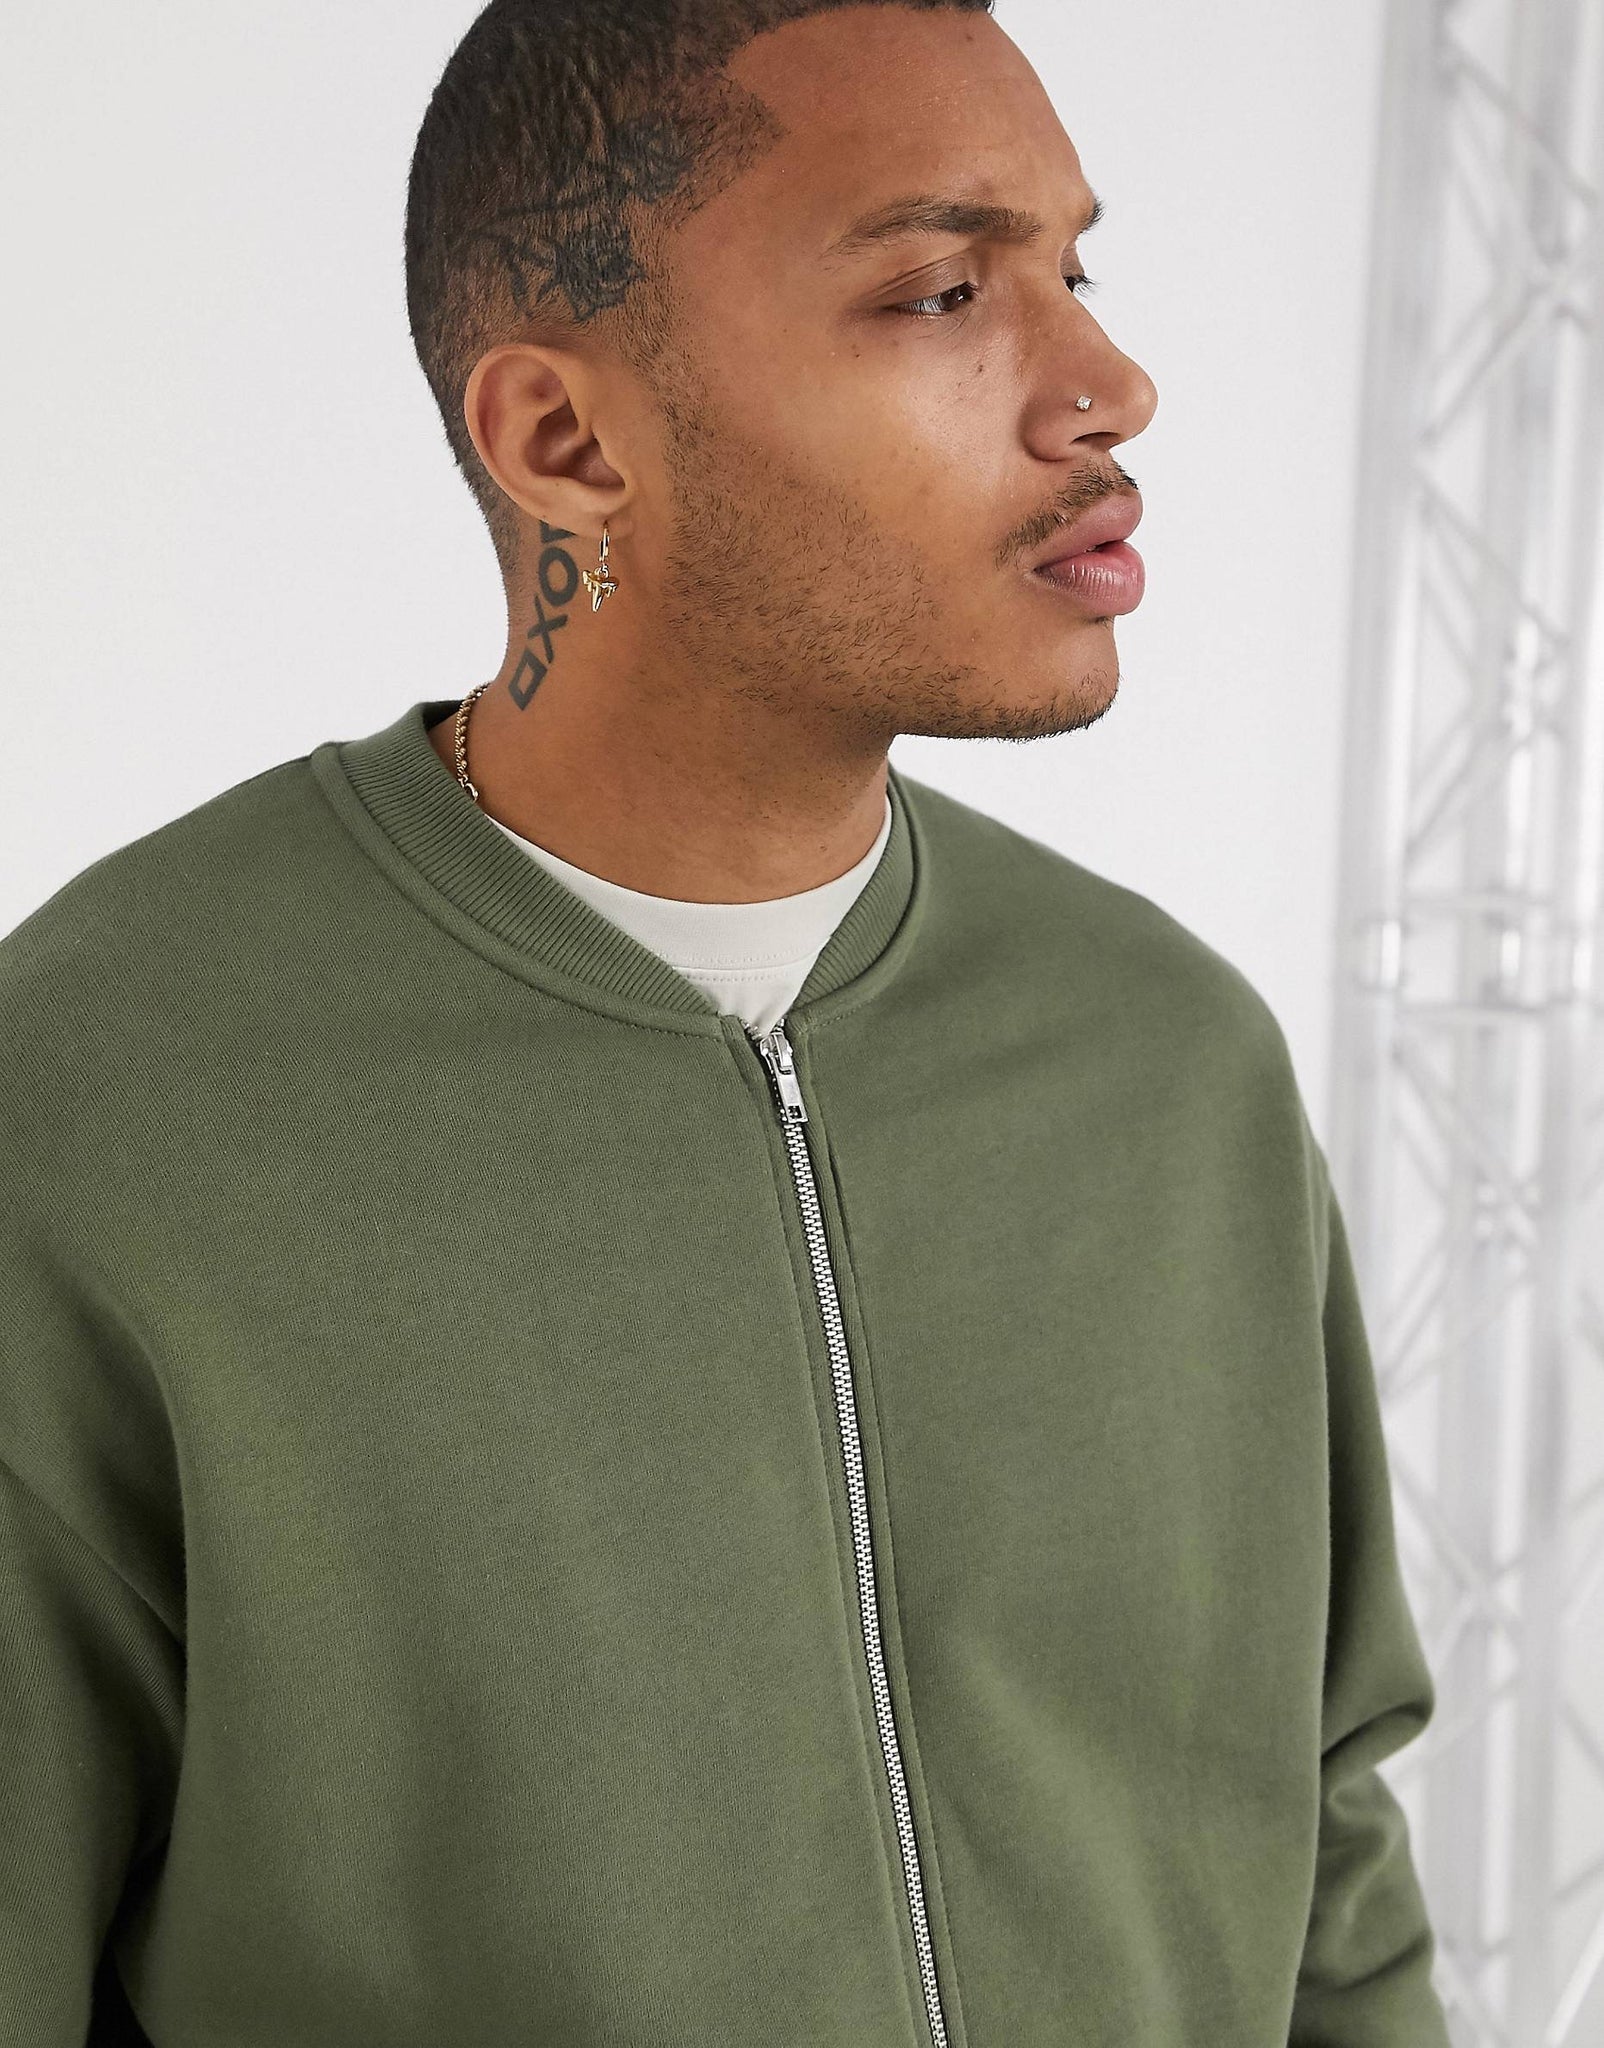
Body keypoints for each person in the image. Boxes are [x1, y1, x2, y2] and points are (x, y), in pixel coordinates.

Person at [0, 3, 1452, 2044]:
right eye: (943, 290)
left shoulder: (1167, 1064)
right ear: (565, 443)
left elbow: (1326, 1885)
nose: (1108, 386)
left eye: (1074, 269)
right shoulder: (104, 1101)